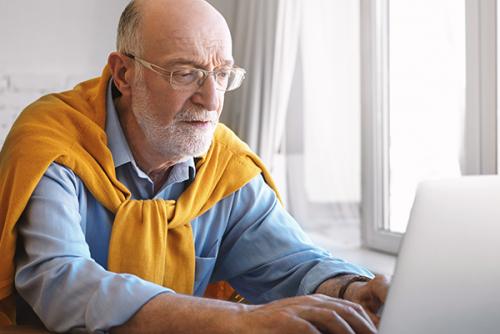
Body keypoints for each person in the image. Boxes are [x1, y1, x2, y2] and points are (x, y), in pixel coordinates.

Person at [0, 0, 389, 333]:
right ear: (124, 74)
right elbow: (60, 282)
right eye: (185, 73)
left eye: (222, 75)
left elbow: (291, 263)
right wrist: (239, 321)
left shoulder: (225, 165)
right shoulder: (53, 143)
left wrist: (351, 290)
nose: (211, 99)